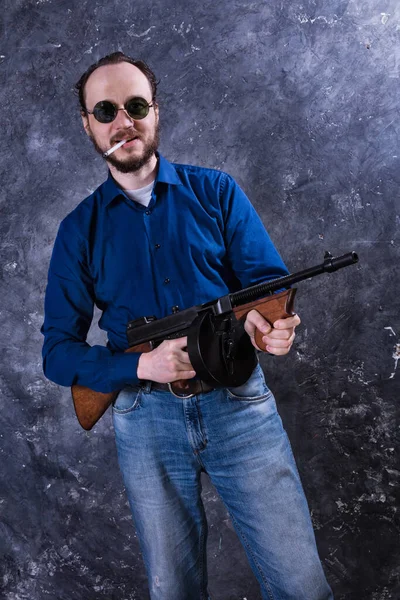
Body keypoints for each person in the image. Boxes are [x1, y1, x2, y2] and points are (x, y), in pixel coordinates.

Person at [41, 51, 333, 600]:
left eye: (136, 105)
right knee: (173, 590)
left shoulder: (217, 193)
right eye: (105, 110)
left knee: (301, 586)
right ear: (88, 124)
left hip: (239, 409)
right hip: (145, 423)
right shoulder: (77, 231)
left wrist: (271, 330)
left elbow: (267, 293)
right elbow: (57, 352)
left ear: (156, 111)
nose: (122, 121)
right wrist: (139, 365)